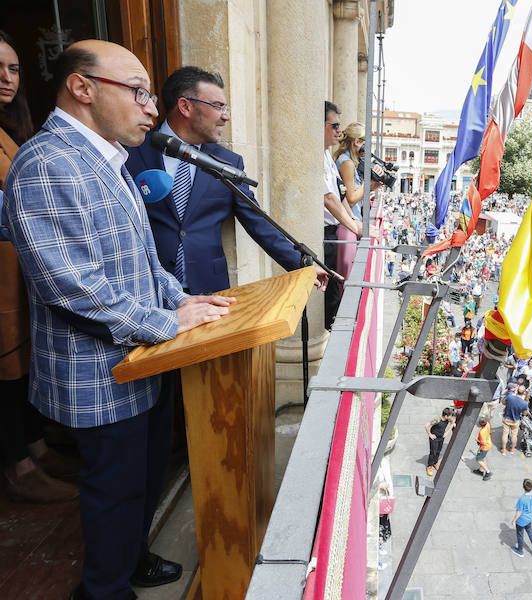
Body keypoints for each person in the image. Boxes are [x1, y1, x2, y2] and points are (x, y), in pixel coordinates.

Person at [3, 40, 235, 599]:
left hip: (140, 361)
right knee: (114, 491)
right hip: (99, 375)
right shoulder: (46, 162)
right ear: (83, 88)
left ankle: (131, 559)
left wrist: (177, 300)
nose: (151, 108)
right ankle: (104, 590)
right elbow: (69, 283)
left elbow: (142, 258)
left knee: (142, 482)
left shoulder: (108, 158)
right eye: (138, 92)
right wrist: (168, 324)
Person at [126, 66, 321, 295]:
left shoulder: (228, 163)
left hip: (208, 289)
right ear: (185, 106)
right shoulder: (131, 151)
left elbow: (257, 221)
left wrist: (301, 264)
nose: (226, 116)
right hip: (149, 289)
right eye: (218, 106)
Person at [0, 30, 81, 504]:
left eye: (12, 68)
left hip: (20, 274)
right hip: (3, 273)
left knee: (24, 365)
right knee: (6, 370)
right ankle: (20, 465)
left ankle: (37, 447)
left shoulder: (18, 128)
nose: (6, 78)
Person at [322, 100, 360, 329]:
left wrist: (354, 221)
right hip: (325, 233)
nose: (339, 130)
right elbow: (329, 199)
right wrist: (355, 226)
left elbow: (340, 195)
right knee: (330, 294)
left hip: (334, 230)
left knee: (335, 291)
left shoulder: (327, 155)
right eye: (334, 125)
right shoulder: (323, 156)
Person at [332, 122, 382, 280]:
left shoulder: (348, 160)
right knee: (348, 274)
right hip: (348, 223)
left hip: (350, 221)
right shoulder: (347, 163)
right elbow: (351, 199)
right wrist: (369, 183)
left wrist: (371, 186)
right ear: (357, 142)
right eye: (366, 142)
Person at [510, 478, 532, 557]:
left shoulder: (522, 498)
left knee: (520, 535)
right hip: (529, 518)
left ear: (523, 487)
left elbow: (519, 512)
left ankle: (520, 551)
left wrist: (514, 520)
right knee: (530, 532)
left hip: (521, 521)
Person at [425, 407, 456, 477]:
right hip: (434, 438)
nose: (451, 417)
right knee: (433, 452)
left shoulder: (448, 419)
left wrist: (447, 433)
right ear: (446, 416)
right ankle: (429, 466)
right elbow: (426, 425)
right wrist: (430, 434)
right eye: (450, 416)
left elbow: (453, 422)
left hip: (441, 437)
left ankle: (435, 463)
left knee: (438, 451)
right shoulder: (437, 419)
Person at [500, 384, 529, 455]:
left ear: (517, 390)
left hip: (506, 418)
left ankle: (503, 449)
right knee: (514, 435)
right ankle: (512, 449)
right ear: (524, 392)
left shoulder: (510, 397)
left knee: (505, 434)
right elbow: (524, 413)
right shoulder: (524, 403)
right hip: (516, 420)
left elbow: (503, 402)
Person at [473, 416, 492, 481]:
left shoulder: (482, 432)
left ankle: (488, 472)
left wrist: (477, 440)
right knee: (483, 457)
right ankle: (480, 470)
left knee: (478, 459)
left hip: (484, 447)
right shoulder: (488, 424)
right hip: (489, 444)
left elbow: (483, 443)